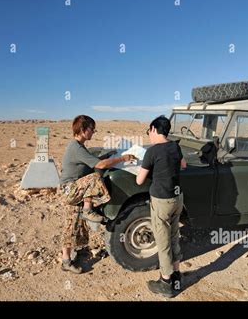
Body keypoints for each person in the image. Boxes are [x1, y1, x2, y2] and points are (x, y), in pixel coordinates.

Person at [60, 115, 135, 274]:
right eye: (91, 129)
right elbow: (98, 165)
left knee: (74, 224)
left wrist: (107, 156)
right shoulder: (76, 148)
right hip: (70, 189)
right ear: (82, 130)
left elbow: (91, 162)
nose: (93, 132)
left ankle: (71, 256)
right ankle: (88, 210)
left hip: (75, 189)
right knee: (95, 177)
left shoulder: (79, 146)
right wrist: (122, 158)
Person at [136, 116, 187, 297]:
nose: (149, 135)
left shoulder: (152, 152)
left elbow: (139, 180)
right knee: (174, 236)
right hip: (177, 199)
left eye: (149, 131)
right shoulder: (175, 146)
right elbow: (184, 164)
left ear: (153, 129)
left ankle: (166, 283)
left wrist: (146, 167)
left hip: (161, 201)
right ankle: (177, 275)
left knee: (163, 241)